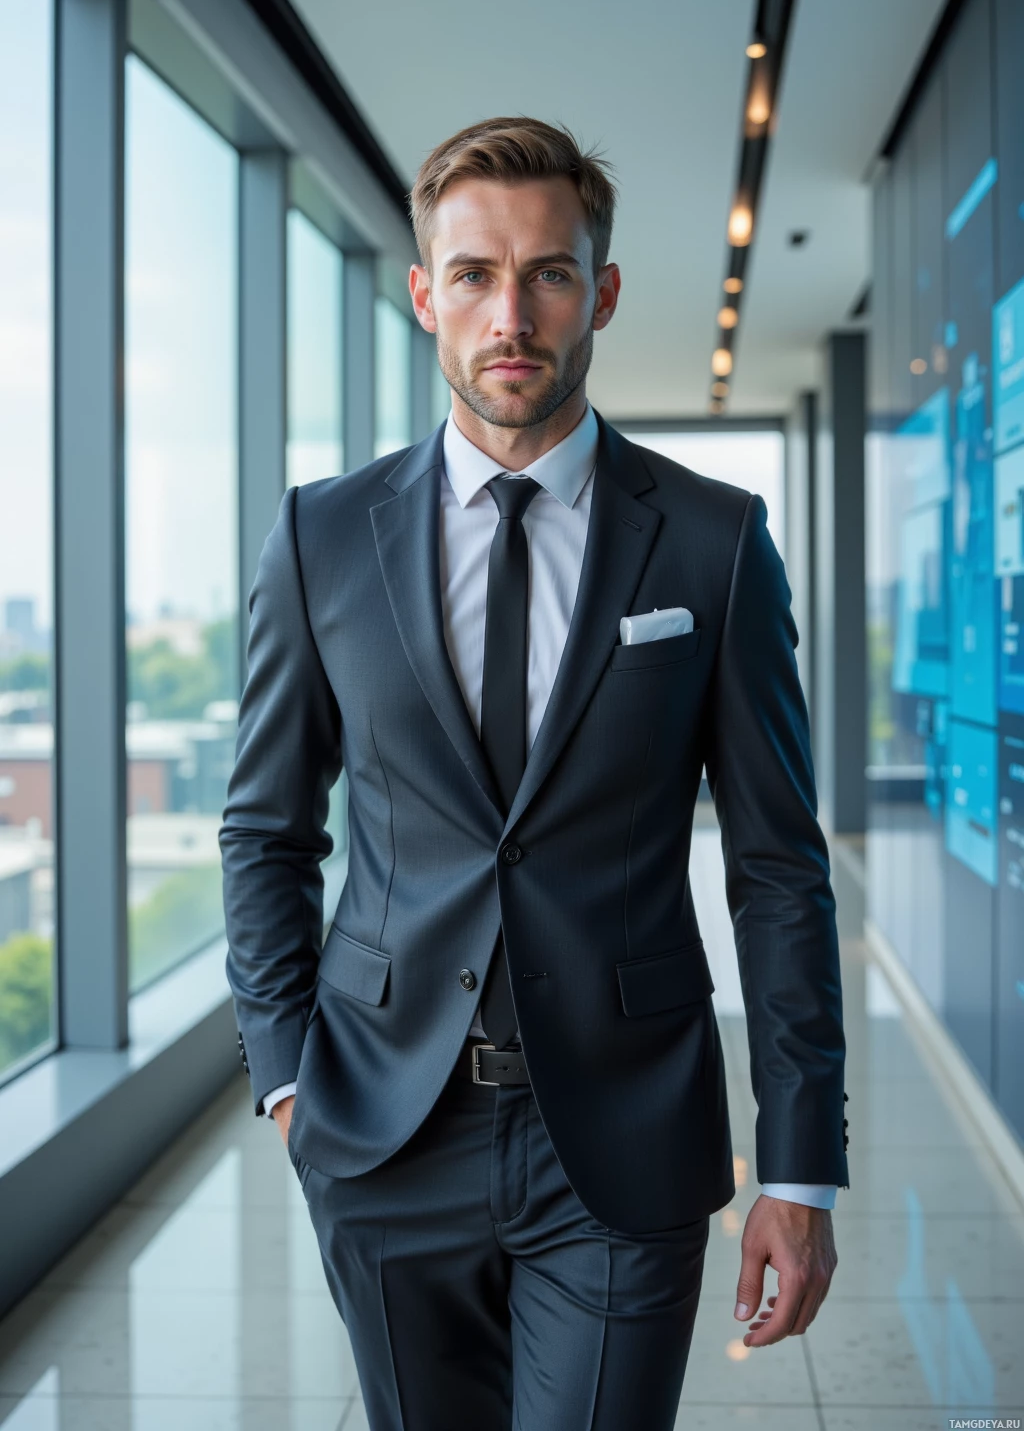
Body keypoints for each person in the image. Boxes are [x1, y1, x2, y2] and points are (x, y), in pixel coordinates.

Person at [220, 116, 849, 1431]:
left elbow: (778, 867)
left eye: (550, 273)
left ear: (602, 291)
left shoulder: (714, 544)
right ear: (423, 294)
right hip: (384, 1134)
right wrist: (287, 1079)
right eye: (473, 275)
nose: (512, 314)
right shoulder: (321, 537)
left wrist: (803, 1166)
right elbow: (267, 831)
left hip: (624, 1139)